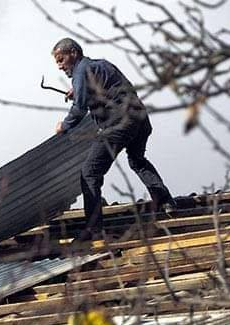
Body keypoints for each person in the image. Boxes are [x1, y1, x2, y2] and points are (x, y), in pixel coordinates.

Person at [52, 37, 177, 242]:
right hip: (140, 118)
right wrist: (81, 90)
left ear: (73, 53)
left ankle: (94, 229)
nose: (60, 66)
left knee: (90, 173)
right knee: (137, 160)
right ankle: (166, 202)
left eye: (61, 60)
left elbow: (79, 109)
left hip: (119, 123)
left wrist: (64, 126)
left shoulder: (80, 71)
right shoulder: (101, 65)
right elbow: (114, 88)